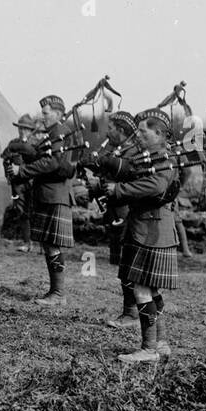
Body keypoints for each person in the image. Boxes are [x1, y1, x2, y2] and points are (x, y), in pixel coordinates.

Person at [97, 109, 179, 363]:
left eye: (143, 131)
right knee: (151, 290)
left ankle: (149, 348)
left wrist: (118, 190)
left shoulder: (164, 158)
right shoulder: (150, 157)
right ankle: (160, 343)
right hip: (148, 227)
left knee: (141, 289)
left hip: (152, 229)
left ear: (158, 133)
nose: (139, 135)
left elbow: (157, 186)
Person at [7, 95, 76, 304]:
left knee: (53, 245)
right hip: (48, 194)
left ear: (57, 114)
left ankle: (58, 293)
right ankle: (55, 291)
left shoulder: (60, 132)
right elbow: (46, 159)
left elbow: (54, 163)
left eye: (45, 113)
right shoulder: (52, 133)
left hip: (55, 195)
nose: (42, 117)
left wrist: (23, 170)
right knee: (48, 245)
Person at [78, 111, 142, 326]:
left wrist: (100, 182)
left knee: (128, 262)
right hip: (116, 211)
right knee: (123, 263)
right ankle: (129, 311)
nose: (107, 132)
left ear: (122, 131)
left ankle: (132, 313)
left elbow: (127, 178)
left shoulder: (133, 152)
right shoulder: (118, 150)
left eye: (111, 128)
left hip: (127, 212)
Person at [2, 113, 39, 249]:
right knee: (21, 211)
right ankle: (27, 242)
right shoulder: (13, 144)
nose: (22, 131)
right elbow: (6, 159)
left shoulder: (36, 145)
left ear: (30, 130)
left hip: (33, 182)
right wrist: (9, 174)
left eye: (25, 128)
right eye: (20, 128)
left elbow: (40, 163)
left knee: (35, 210)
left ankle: (39, 243)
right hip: (18, 184)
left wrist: (22, 168)